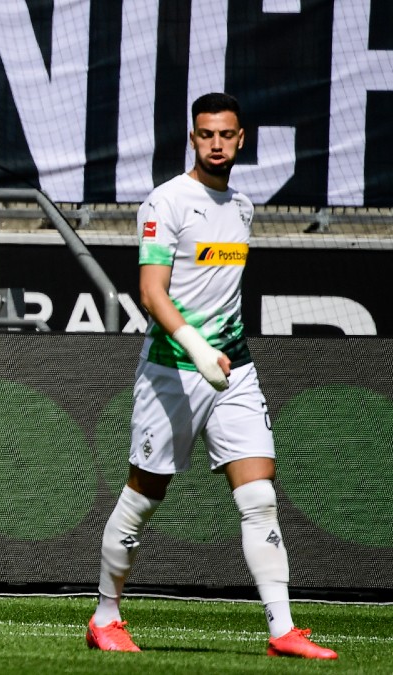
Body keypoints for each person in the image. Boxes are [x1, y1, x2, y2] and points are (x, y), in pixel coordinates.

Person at [85, 93, 337, 659]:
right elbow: (151, 293)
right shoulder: (167, 201)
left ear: (241, 139)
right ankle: (105, 616)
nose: (216, 144)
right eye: (205, 135)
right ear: (192, 139)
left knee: (260, 498)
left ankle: (282, 631)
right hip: (174, 371)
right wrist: (197, 349)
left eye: (226, 134)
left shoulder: (244, 208)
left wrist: (218, 356)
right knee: (143, 497)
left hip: (235, 371)